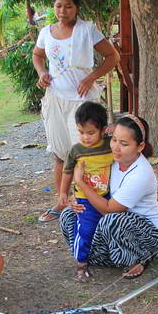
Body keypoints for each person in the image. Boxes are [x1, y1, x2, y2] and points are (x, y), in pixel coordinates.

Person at [32, 0, 119, 222]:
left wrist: (91, 77)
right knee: (60, 154)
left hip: (82, 102)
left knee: (87, 153)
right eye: (59, 6)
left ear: (76, 8)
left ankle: (93, 202)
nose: (63, 11)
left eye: (68, 6)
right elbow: (37, 55)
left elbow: (113, 56)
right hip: (56, 99)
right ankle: (61, 202)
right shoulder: (46, 32)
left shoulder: (87, 30)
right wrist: (42, 73)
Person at [60, 115, 158, 279]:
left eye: (124, 144)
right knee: (68, 215)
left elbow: (109, 210)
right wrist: (76, 198)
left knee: (112, 220)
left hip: (144, 234)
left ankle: (140, 257)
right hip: (109, 225)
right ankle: (105, 257)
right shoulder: (112, 160)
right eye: (114, 140)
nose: (116, 147)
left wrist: (80, 182)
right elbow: (93, 182)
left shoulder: (140, 173)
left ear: (140, 146)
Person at [60, 101, 113, 281]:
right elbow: (67, 172)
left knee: (107, 226)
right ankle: (81, 264)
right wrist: (63, 193)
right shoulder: (77, 150)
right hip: (84, 199)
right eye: (81, 132)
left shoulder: (110, 145)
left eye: (90, 133)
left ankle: (106, 256)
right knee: (85, 230)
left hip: (106, 195)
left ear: (103, 129)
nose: (85, 137)